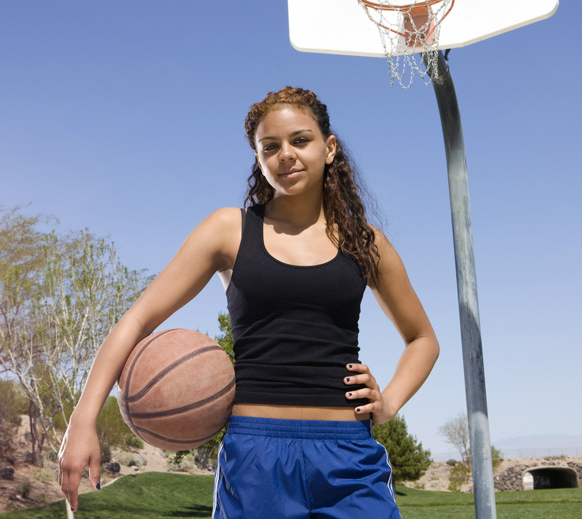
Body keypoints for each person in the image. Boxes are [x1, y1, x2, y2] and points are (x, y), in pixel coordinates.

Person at [59, 86, 439, 518]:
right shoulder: (230, 231)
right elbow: (138, 319)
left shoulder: (365, 242)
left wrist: (388, 402)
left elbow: (422, 338)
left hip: (348, 453)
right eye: (270, 146)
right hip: (257, 455)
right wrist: (83, 419)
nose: (286, 155)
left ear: (329, 148)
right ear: (258, 158)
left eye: (300, 140)